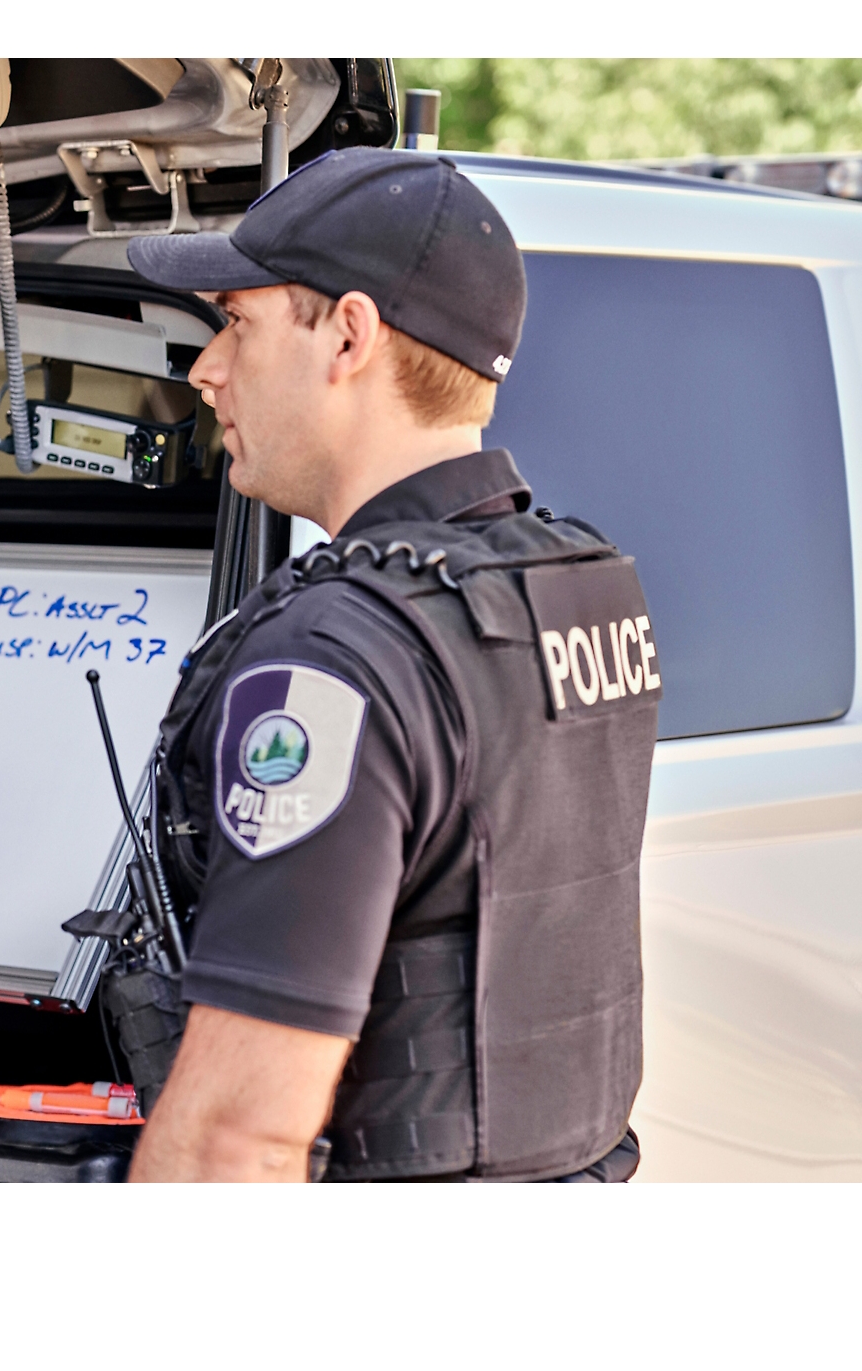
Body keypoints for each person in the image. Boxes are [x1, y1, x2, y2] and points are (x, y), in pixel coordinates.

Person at [121, 150, 655, 1182]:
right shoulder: (577, 589)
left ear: (349, 335)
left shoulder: (331, 663)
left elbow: (236, 1141)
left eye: (234, 322)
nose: (204, 370)